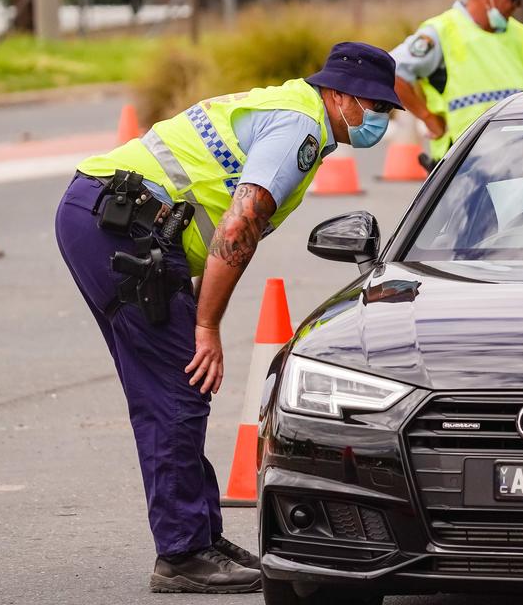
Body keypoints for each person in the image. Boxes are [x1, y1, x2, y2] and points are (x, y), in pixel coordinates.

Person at [54, 42, 402, 594]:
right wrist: (206, 327)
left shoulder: (290, 109)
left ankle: (201, 535)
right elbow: (237, 228)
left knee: (173, 384)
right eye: (373, 106)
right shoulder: (299, 132)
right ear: (338, 95)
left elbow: (212, 219)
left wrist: (197, 311)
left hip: (111, 218)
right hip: (118, 225)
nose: (380, 120)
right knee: (176, 386)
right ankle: (183, 552)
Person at [390, 0, 523, 167]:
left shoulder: (522, 36)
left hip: (516, 158)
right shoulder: (443, 31)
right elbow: (392, 71)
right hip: (461, 165)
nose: (518, 5)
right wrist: (427, 117)